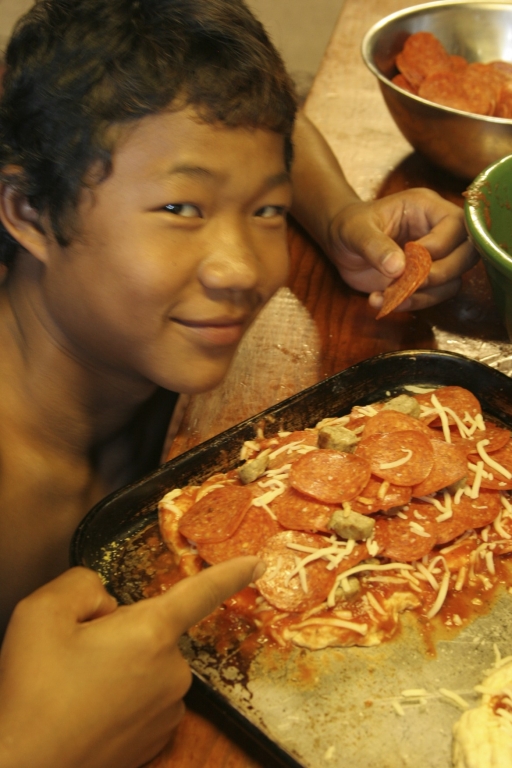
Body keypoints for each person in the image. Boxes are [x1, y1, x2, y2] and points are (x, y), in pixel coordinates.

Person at [0, 0, 476, 765]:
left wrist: (340, 218)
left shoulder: (142, 324)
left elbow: (265, 130)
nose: (242, 268)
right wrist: (37, 748)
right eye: (180, 208)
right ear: (28, 211)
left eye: (266, 210)